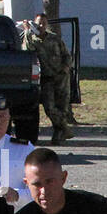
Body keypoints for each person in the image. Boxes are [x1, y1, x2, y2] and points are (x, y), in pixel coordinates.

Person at [19, 14, 73, 145]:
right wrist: (27, 32)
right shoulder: (31, 39)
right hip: (46, 79)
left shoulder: (54, 39)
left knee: (62, 107)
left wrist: (66, 68)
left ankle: (59, 134)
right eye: (38, 24)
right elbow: (27, 52)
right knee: (50, 108)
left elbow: (66, 55)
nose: (41, 26)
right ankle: (65, 128)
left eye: (43, 23)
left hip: (60, 78)